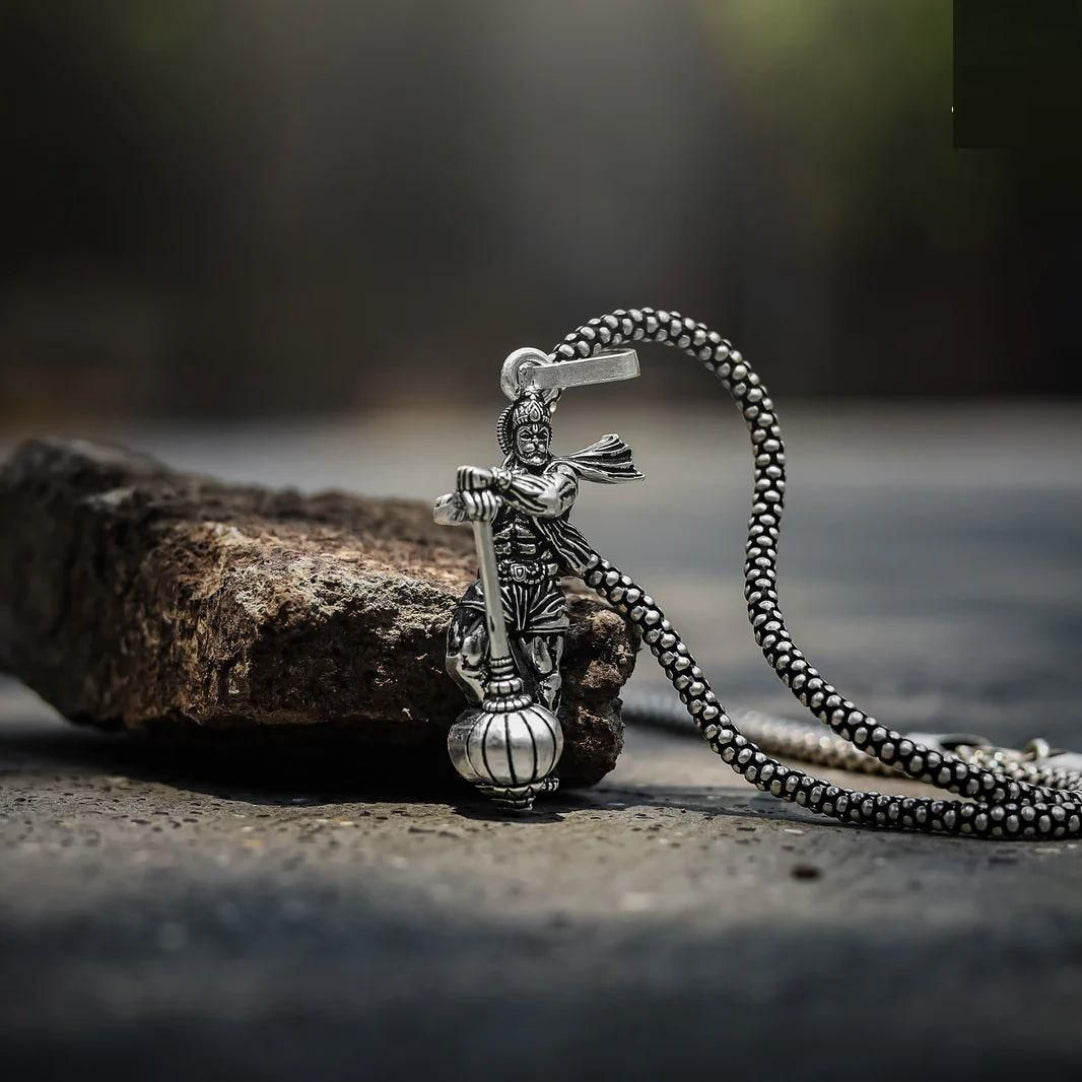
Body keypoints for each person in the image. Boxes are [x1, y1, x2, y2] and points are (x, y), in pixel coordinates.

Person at [434, 389, 643, 712]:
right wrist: (465, 500)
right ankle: (490, 712)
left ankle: (545, 730)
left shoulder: (560, 474)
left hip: (540, 590)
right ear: (512, 440)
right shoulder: (500, 480)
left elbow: (549, 500)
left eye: (542, 434)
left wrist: (496, 481)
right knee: (461, 659)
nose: (536, 442)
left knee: (545, 672)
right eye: (527, 435)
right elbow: (443, 513)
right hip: (495, 587)